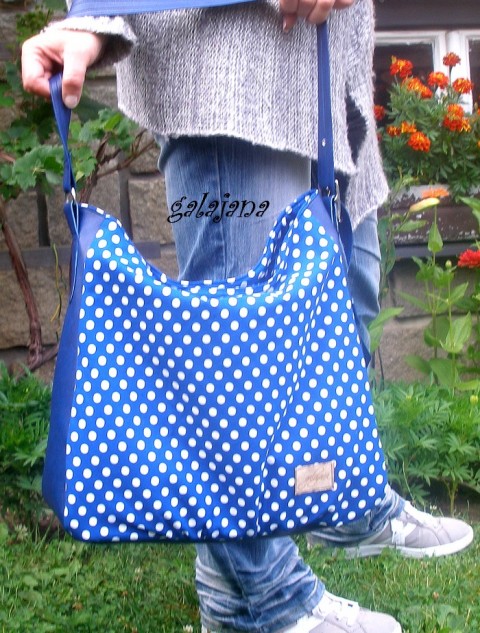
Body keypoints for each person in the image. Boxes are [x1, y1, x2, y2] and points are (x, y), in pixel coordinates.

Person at [21, 1, 474, 631]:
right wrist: (93, 18)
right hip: (230, 79)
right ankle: (255, 600)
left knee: (346, 299)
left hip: (323, 82)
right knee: (237, 361)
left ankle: (332, 495)